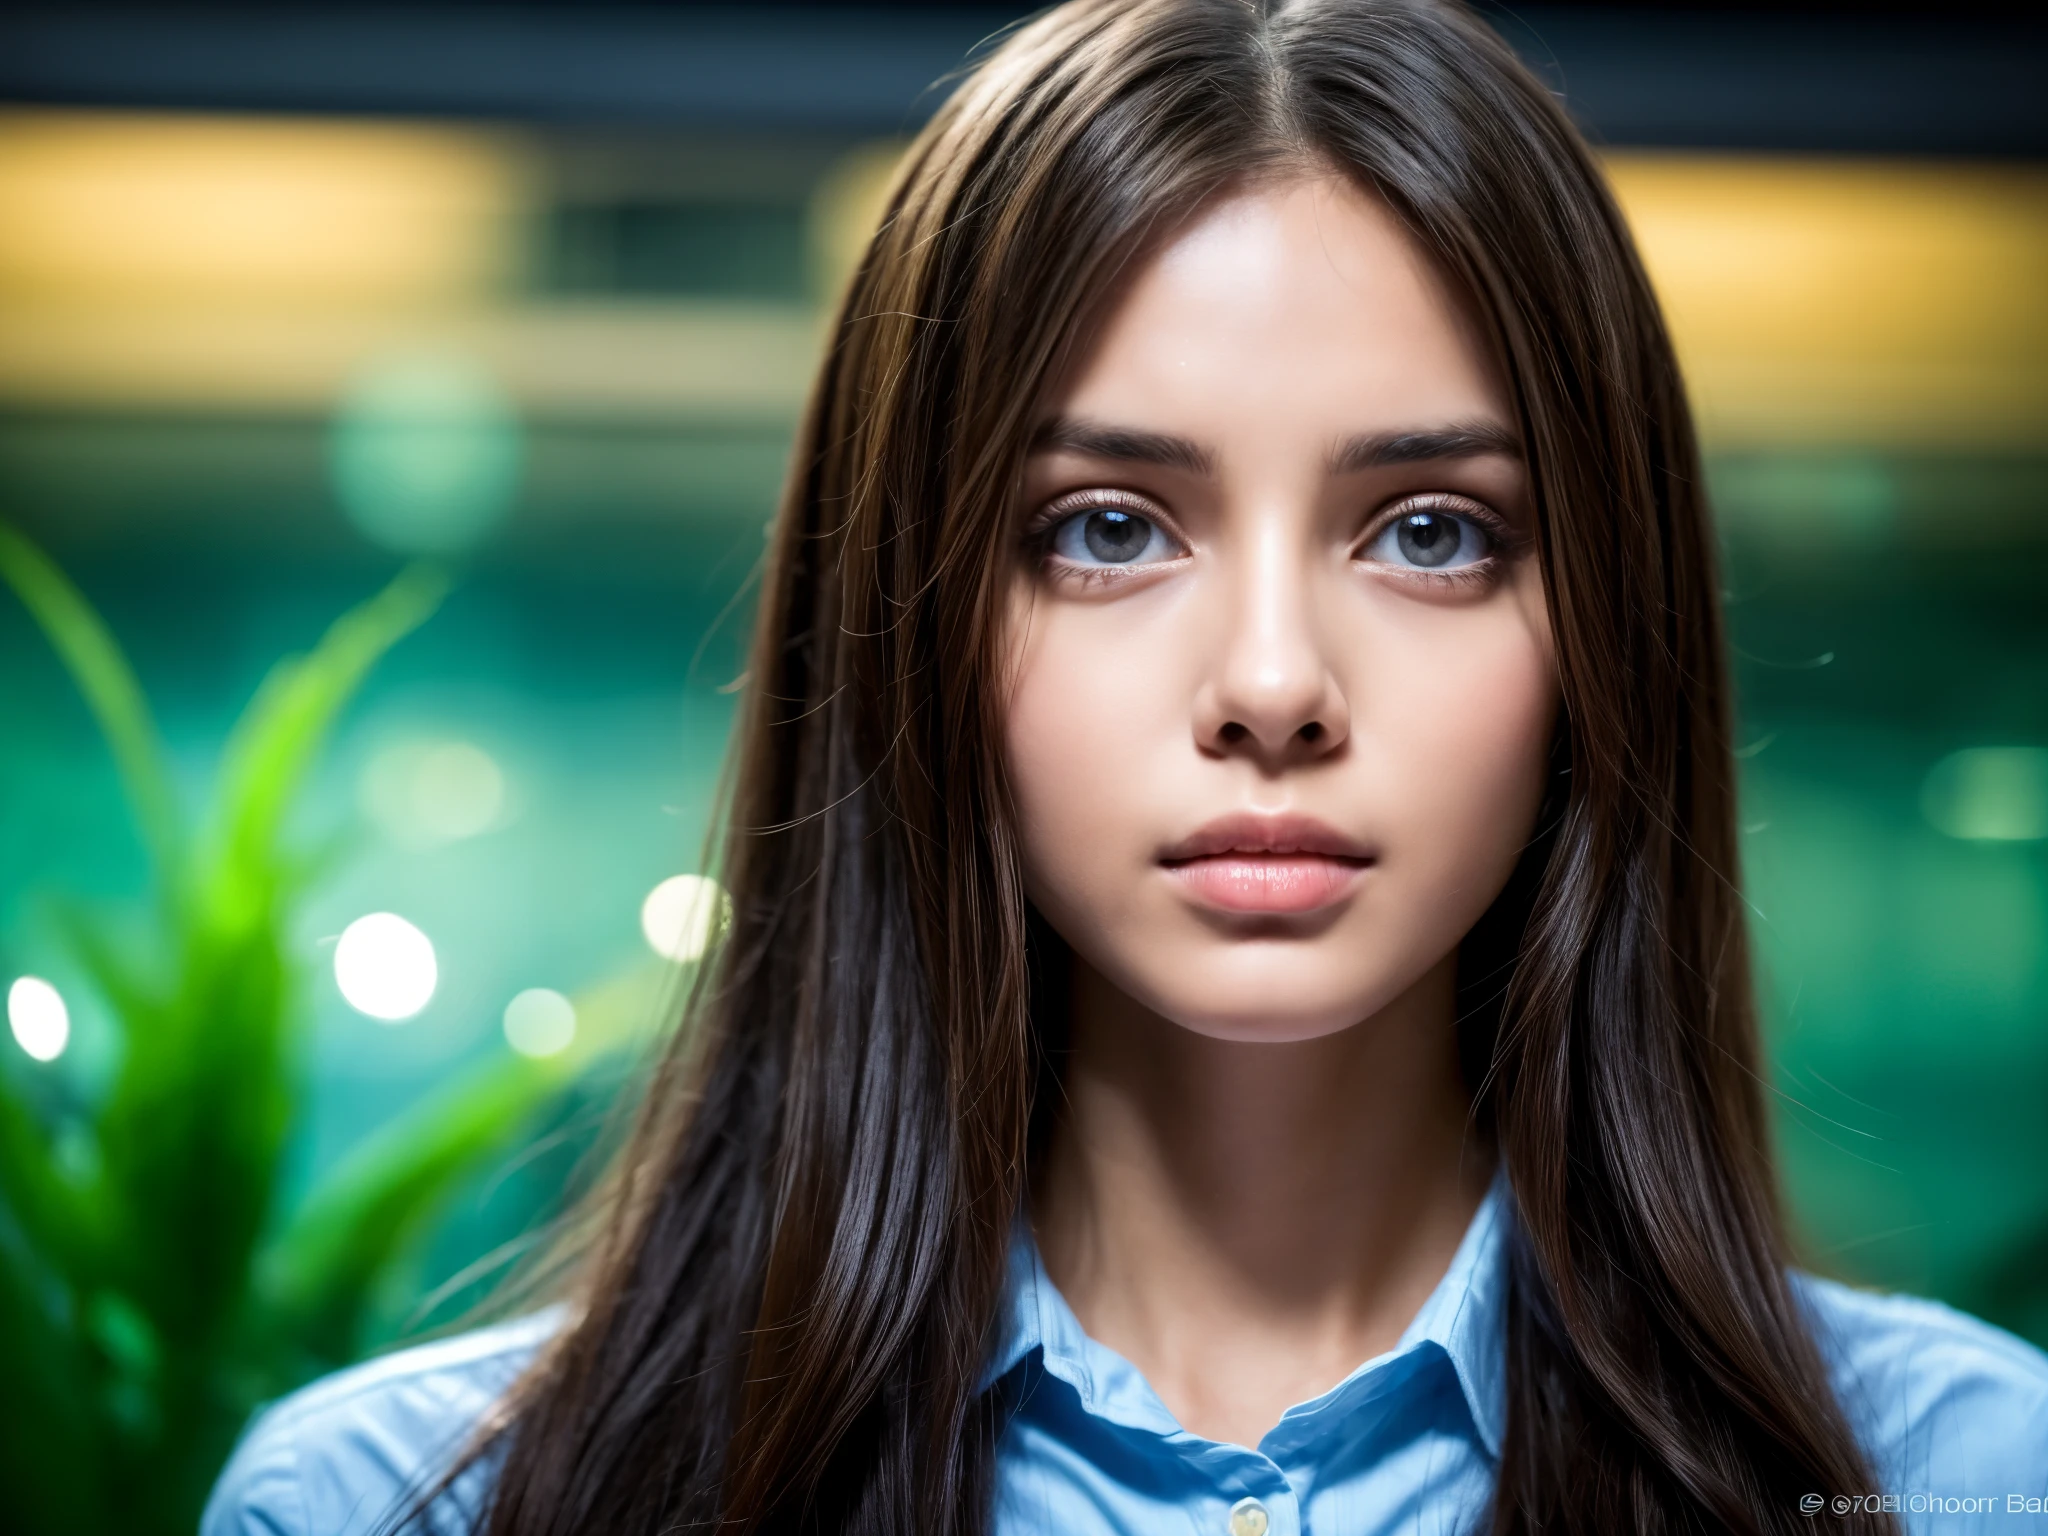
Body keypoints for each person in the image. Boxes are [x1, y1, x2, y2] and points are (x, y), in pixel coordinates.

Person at [202, 1, 2048, 1532]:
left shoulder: (1962, 1484)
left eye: (1427, 532)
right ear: (910, 619)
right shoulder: (411, 1505)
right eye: (1103, 529)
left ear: (1605, 630)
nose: (1270, 683)